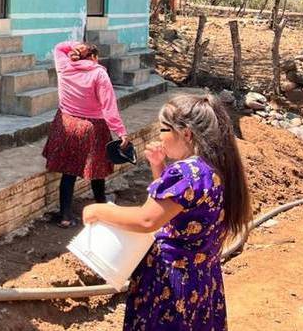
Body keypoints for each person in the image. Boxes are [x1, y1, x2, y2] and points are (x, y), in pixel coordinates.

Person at [82, 94, 252, 330]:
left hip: (171, 284)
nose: (160, 136)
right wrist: (158, 166)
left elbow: (147, 220)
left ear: (186, 133)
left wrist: (97, 210)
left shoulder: (184, 172)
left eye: (164, 129)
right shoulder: (213, 167)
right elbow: (178, 208)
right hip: (202, 280)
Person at [42, 41, 129, 228]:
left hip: (67, 123)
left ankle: (65, 216)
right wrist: (120, 131)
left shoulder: (64, 66)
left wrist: (77, 46)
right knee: (98, 169)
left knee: (69, 171)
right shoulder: (99, 74)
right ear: (94, 57)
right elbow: (108, 106)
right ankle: (102, 205)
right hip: (93, 127)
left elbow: (59, 47)